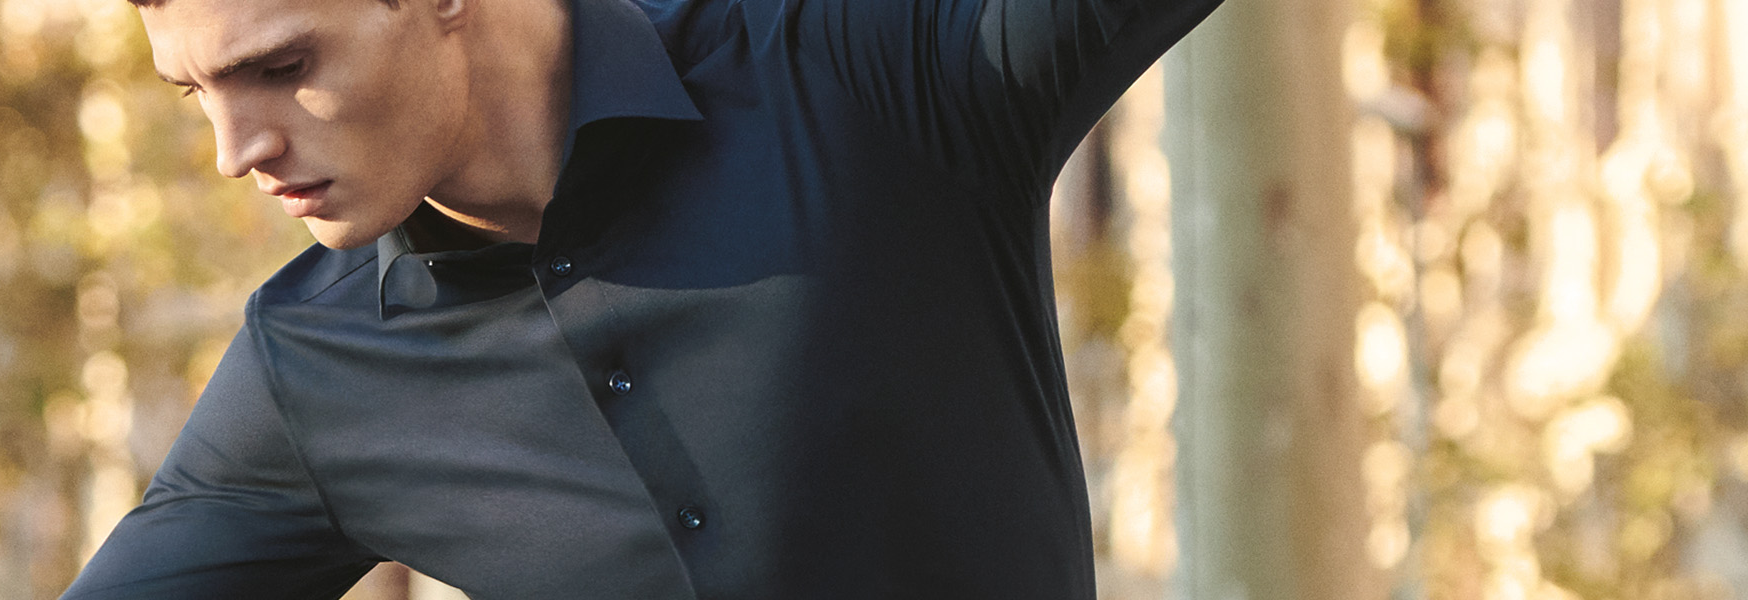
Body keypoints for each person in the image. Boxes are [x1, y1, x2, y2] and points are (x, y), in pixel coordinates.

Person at [62, 0, 1221, 593]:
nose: (236, 150)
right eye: (194, 92)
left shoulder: (857, 78)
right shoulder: (310, 368)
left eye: (280, 67)